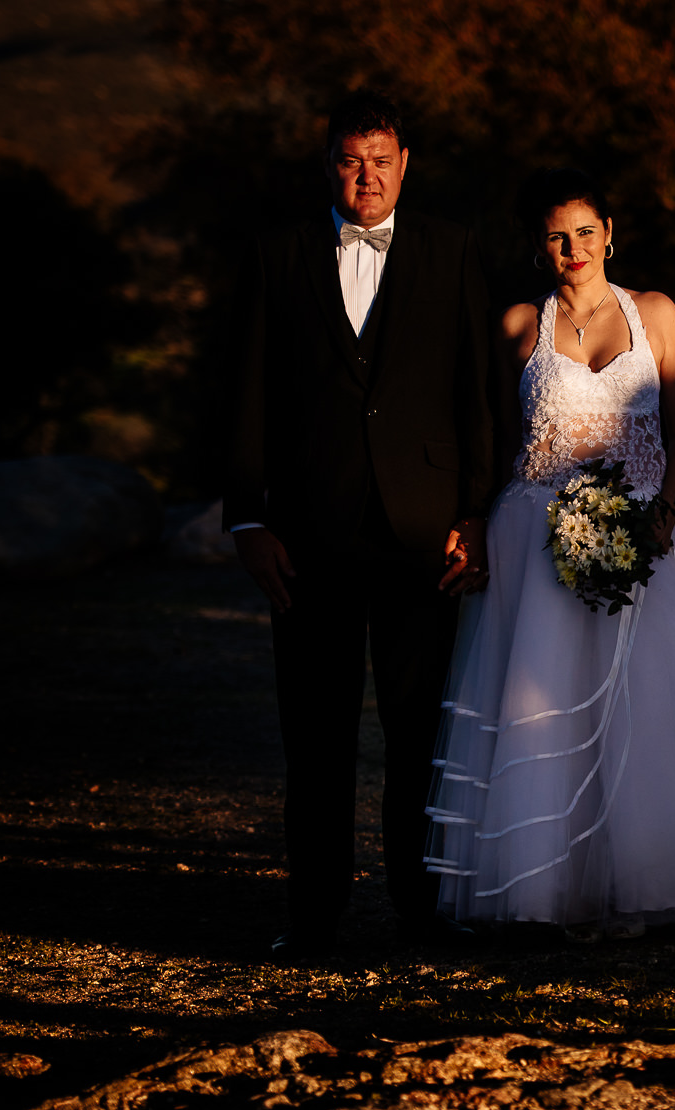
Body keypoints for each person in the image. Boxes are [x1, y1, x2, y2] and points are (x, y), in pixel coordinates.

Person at [424, 167, 675, 940]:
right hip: (536, 535)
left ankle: (637, 883)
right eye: (555, 235)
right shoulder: (516, 326)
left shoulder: (657, 314)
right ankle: (549, 888)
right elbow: (485, 436)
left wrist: (665, 511)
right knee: (543, 710)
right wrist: (473, 519)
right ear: (539, 248)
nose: (572, 247)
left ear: (610, 233)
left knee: (643, 710)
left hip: (646, 527)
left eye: (584, 231)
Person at [225, 92, 496, 959]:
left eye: (381, 158)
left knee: (421, 728)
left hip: (424, 535)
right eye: (351, 159)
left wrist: (477, 512)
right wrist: (247, 519)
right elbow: (246, 397)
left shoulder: (453, 252)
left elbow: (477, 394)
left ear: (405, 162)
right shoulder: (277, 254)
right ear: (329, 164)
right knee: (316, 734)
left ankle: (423, 909)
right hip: (307, 536)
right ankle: (313, 918)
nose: (367, 175)